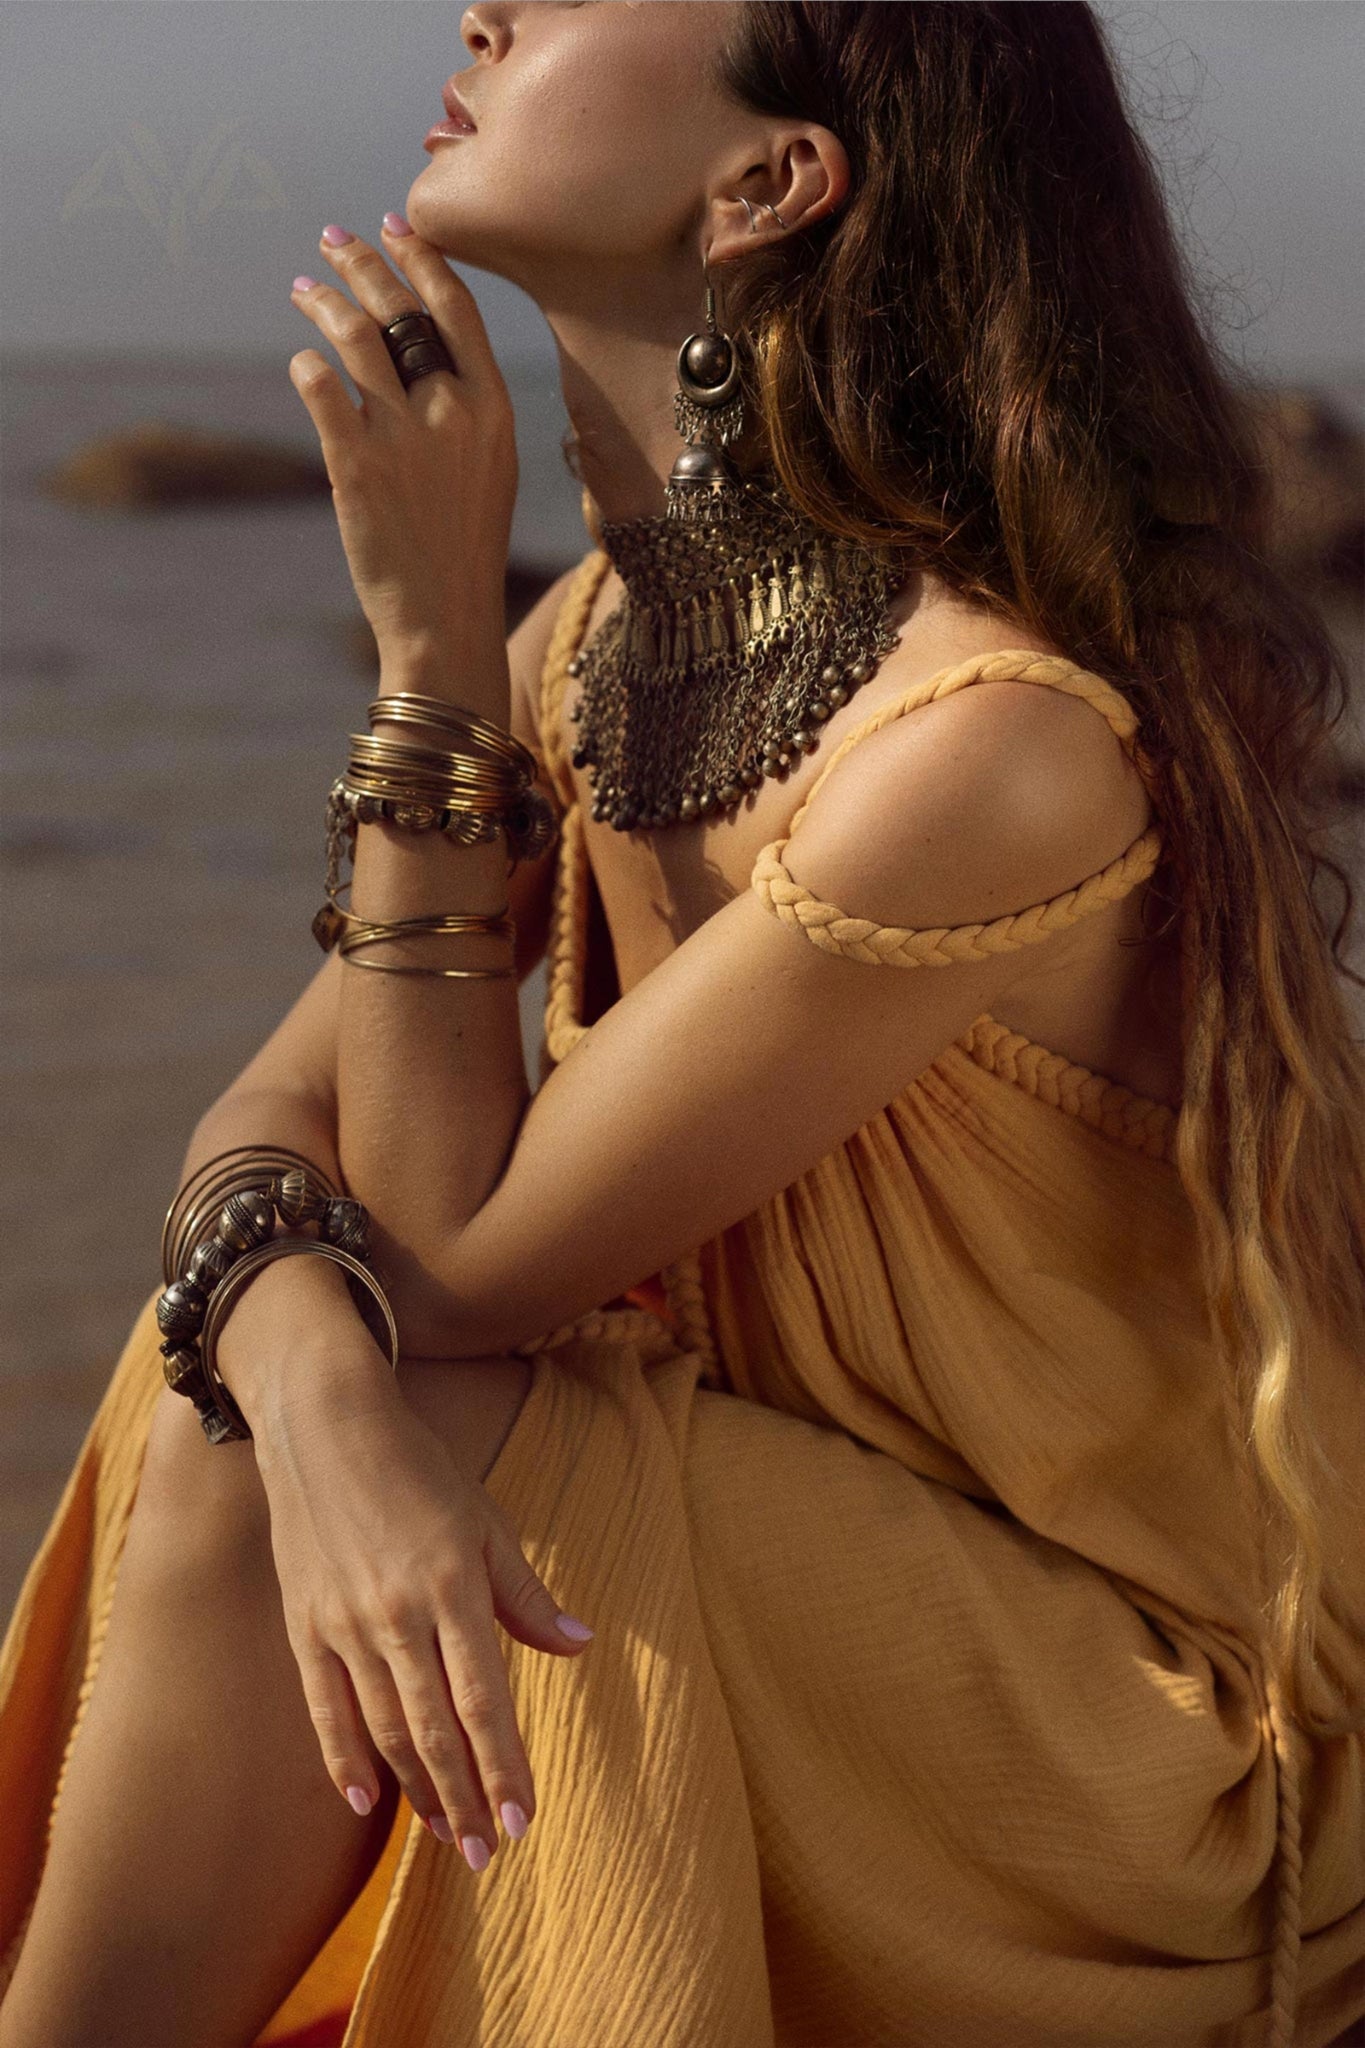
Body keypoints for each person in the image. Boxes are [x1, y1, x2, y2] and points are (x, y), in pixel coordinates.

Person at [1, 4, 1362, 2044]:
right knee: (265, 1391)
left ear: (765, 183)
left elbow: (448, 1256)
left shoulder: (976, 749)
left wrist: (428, 655)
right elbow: (272, 1116)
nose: (481, 12)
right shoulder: (609, 646)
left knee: (328, 1398)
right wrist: (312, 1392)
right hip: (798, 1565)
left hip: (1111, 1731)